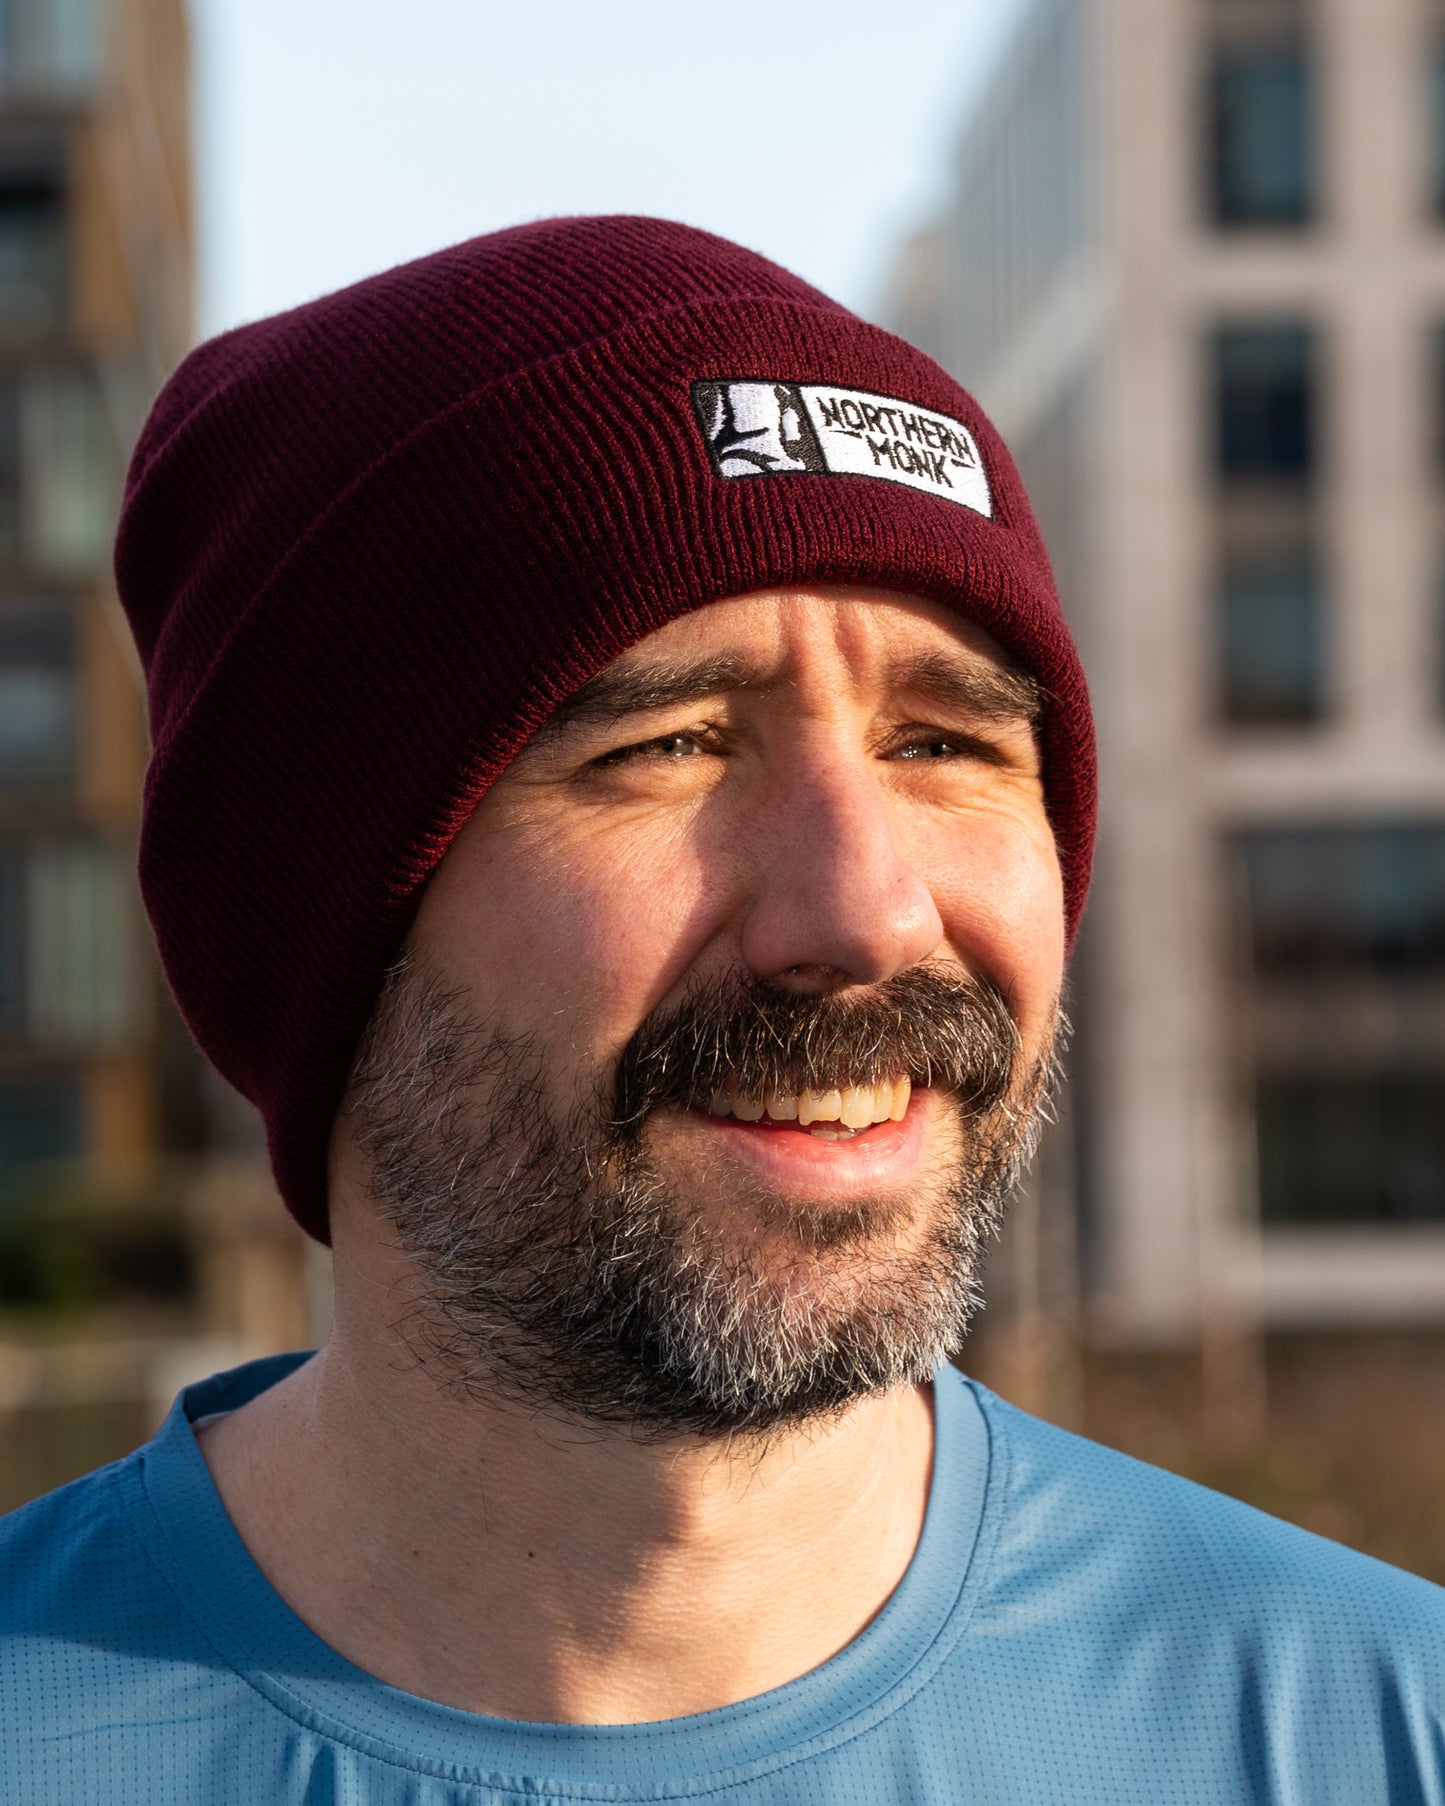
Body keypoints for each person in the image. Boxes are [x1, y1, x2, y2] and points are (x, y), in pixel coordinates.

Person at [1, 216, 1440, 1804]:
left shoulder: (1374, 1728)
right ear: (310, 911)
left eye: (944, 744)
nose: (867, 913)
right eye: (669, 744)